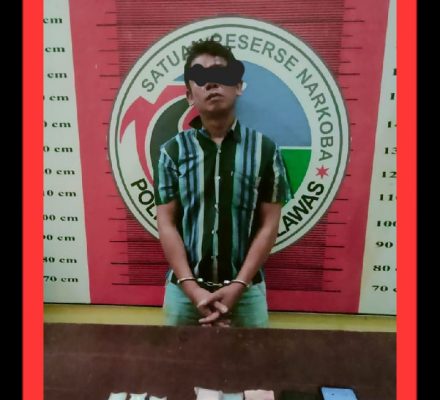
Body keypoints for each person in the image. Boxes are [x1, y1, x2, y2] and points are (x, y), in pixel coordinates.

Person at [154, 39, 292, 328]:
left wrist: (239, 285)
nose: (212, 83)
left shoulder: (266, 151)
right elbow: (166, 223)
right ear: (189, 95)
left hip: (247, 293)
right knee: (174, 359)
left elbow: (270, 225)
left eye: (221, 73)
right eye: (200, 76)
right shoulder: (172, 152)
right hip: (183, 294)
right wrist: (192, 289)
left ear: (238, 85)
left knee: (254, 359)